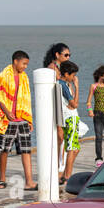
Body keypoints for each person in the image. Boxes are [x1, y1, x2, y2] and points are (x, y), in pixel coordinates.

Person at [0, 50, 37, 191]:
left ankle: (29, 182)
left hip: (22, 117)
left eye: (26, 64)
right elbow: (0, 96)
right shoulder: (3, 76)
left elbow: (27, 98)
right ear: (16, 61)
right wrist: (7, 112)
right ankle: (2, 178)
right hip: (7, 119)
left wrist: (29, 119)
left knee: (26, 150)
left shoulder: (24, 77)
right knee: (4, 150)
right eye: (24, 64)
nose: (25, 67)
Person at [43, 41, 70, 169]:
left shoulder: (60, 68)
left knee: (62, 136)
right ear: (57, 55)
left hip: (62, 105)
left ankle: (60, 166)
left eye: (69, 55)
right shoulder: (52, 69)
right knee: (59, 136)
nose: (68, 58)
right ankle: (56, 166)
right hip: (55, 106)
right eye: (66, 55)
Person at [58, 60, 81, 185]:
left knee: (75, 148)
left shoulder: (59, 84)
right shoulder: (64, 86)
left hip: (66, 118)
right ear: (66, 74)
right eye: (73, 75)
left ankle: (66, 173)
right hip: (70, 118)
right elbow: (75, 104)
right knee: (72, 148)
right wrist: (77, 87)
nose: (74, 78)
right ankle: (67, 177)